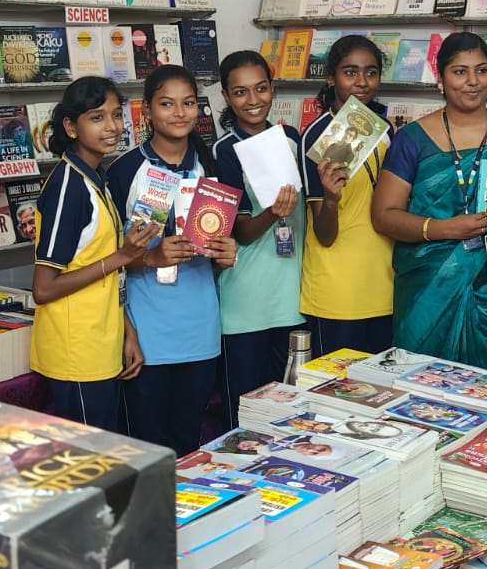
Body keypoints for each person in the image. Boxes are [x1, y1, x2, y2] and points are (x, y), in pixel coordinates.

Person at [371, 32, 487, 372]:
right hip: (426, 290)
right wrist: (444, 228)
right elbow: (384, 215)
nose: (473, 81)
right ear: (441, 78)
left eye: (482, 70)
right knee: (419, 384)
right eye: (460, 71)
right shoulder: (412, 140)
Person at [107, 65, 237, 452]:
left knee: (188, 443)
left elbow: (218, 242)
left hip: (200, 331)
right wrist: (151, 257)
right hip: (146, 333)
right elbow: (105, 262)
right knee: (147, 448)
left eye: (188, 103)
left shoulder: (210, 166)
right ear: (146, 110)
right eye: (167, 104)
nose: (179, 113)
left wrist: (225, 253)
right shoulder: (124, 170)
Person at [30, 77, 159, 431]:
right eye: (97, 117)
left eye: (116, 115)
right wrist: (122, 256)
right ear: (71, 127)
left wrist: (127, 331)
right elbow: (43, 288)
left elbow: (103, 268)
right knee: (90, 457)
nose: (112, 127)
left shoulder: (96, 177)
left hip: (102, 343)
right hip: (77, 353)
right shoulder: (68, 187)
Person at [215, 51, 306, 418]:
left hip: (292, 298)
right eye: (240, 92)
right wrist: (272, 213)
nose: (253, 100)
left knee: (290, 410)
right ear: (226, 96)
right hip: (246, 304)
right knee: (245, 412)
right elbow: (239, 231)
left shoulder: (292, 138)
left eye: (261, 88)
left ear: (272, 88)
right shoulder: (224, 151)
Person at [299, 36, 395, 358]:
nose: (362, 81)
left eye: (371, 72)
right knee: (334, 387)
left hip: (383, 286)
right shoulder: (318, 135)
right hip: (337, 293)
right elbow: (324, 235)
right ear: (331, 77)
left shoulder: (385, 130)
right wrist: (330, 199)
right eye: (350, 72)